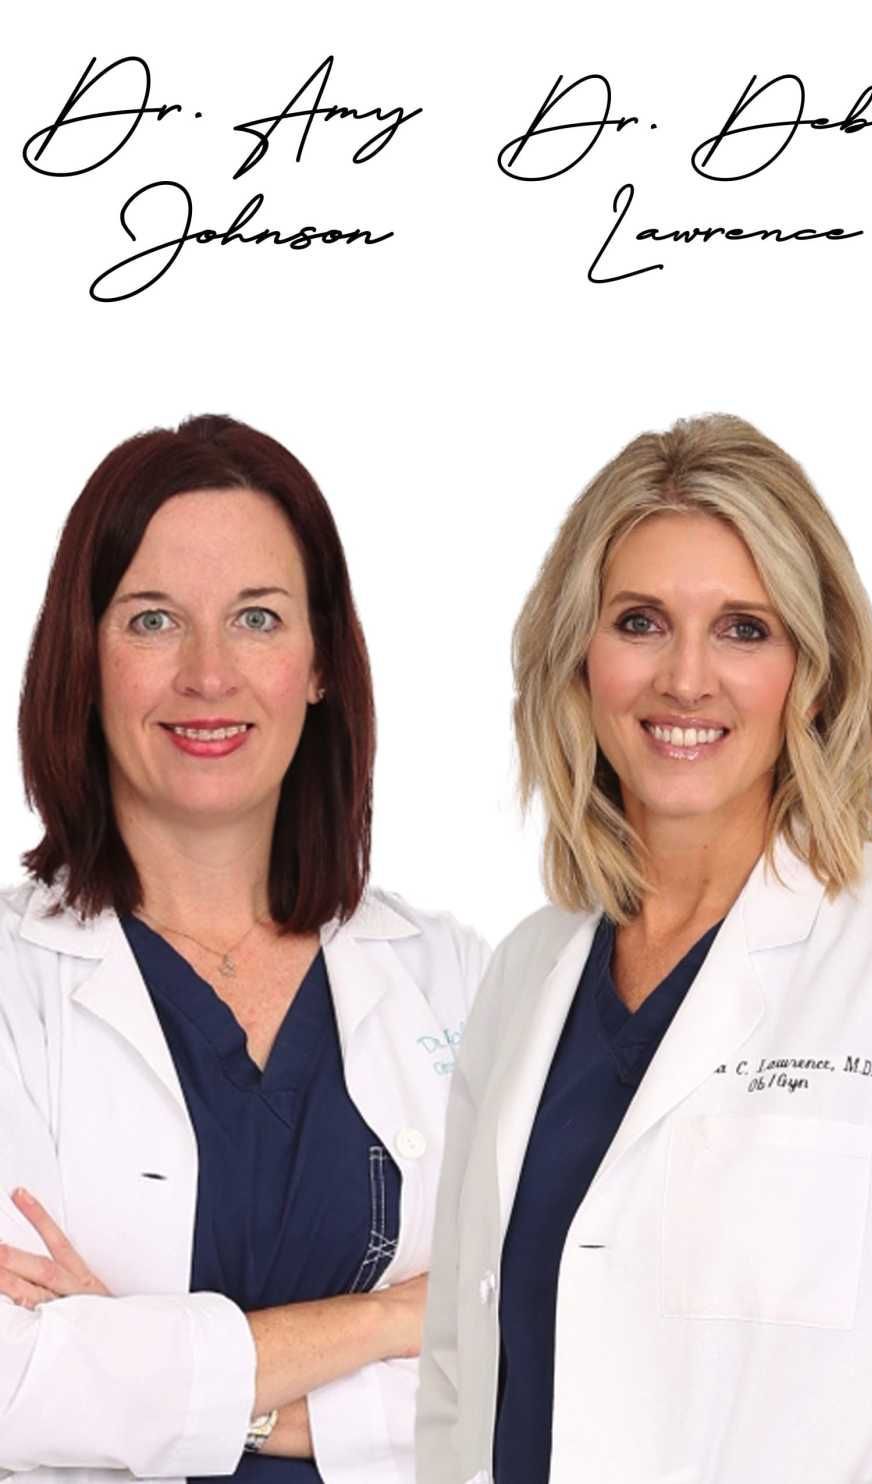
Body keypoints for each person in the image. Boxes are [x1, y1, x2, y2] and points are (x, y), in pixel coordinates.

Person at [415, 414, 872, 1484]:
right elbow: (459, 1370)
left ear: (812, 670)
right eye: (640, 621)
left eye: (743, 629)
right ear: (578, 658)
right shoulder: (525, 973)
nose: (687, 679)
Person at [0, 415, 487, 1484]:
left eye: (258, 618)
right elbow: (15, 1385)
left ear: (319, 663)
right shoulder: (11, 990)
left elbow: (542, 1364)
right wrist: (396, 1319)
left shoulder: (455, 977)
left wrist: (151, 1368)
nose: (209, 674)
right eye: (155, 620)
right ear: (84, 660)